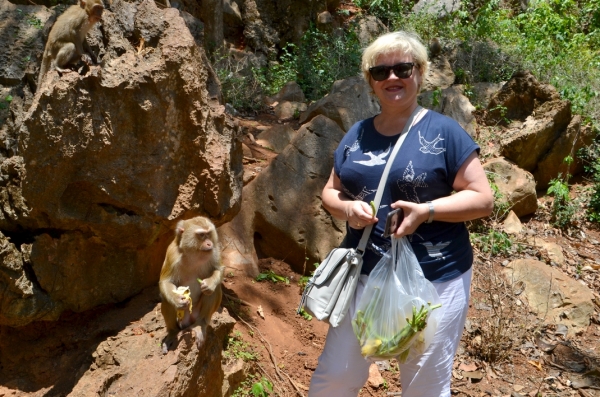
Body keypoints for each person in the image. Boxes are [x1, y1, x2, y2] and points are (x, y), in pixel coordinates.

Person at [309, 31, 494, 397]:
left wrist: (427, 210)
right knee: (335, 377)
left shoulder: (444, 131)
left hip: (435, 280)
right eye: (381, 72)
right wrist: (347, 207)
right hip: (363, 273)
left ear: (420, 73)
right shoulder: (358, 135)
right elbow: (330, 192)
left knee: (424, 386)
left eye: (402, 68)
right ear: (371, 83)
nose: (392, 78)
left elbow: (482, 199)